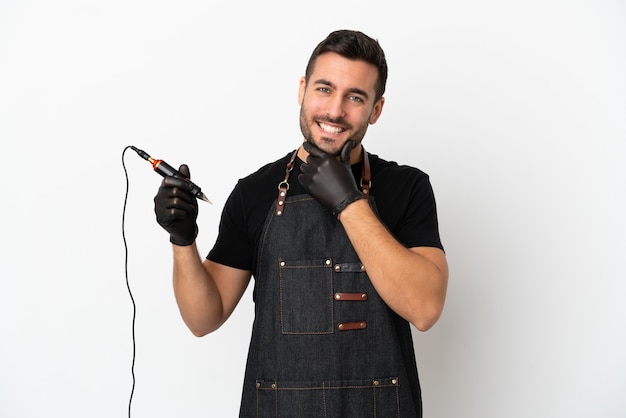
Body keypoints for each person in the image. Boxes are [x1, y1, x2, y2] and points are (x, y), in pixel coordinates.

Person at [154, 29, 448, 417]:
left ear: (376, 109)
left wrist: (348, 203)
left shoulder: (407, 188)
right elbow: (202, 319)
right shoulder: (254, 192)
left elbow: (425, 308)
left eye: (355, 97)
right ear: (302, 90)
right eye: (324, 89)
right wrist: (182, 239)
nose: (335, 110)